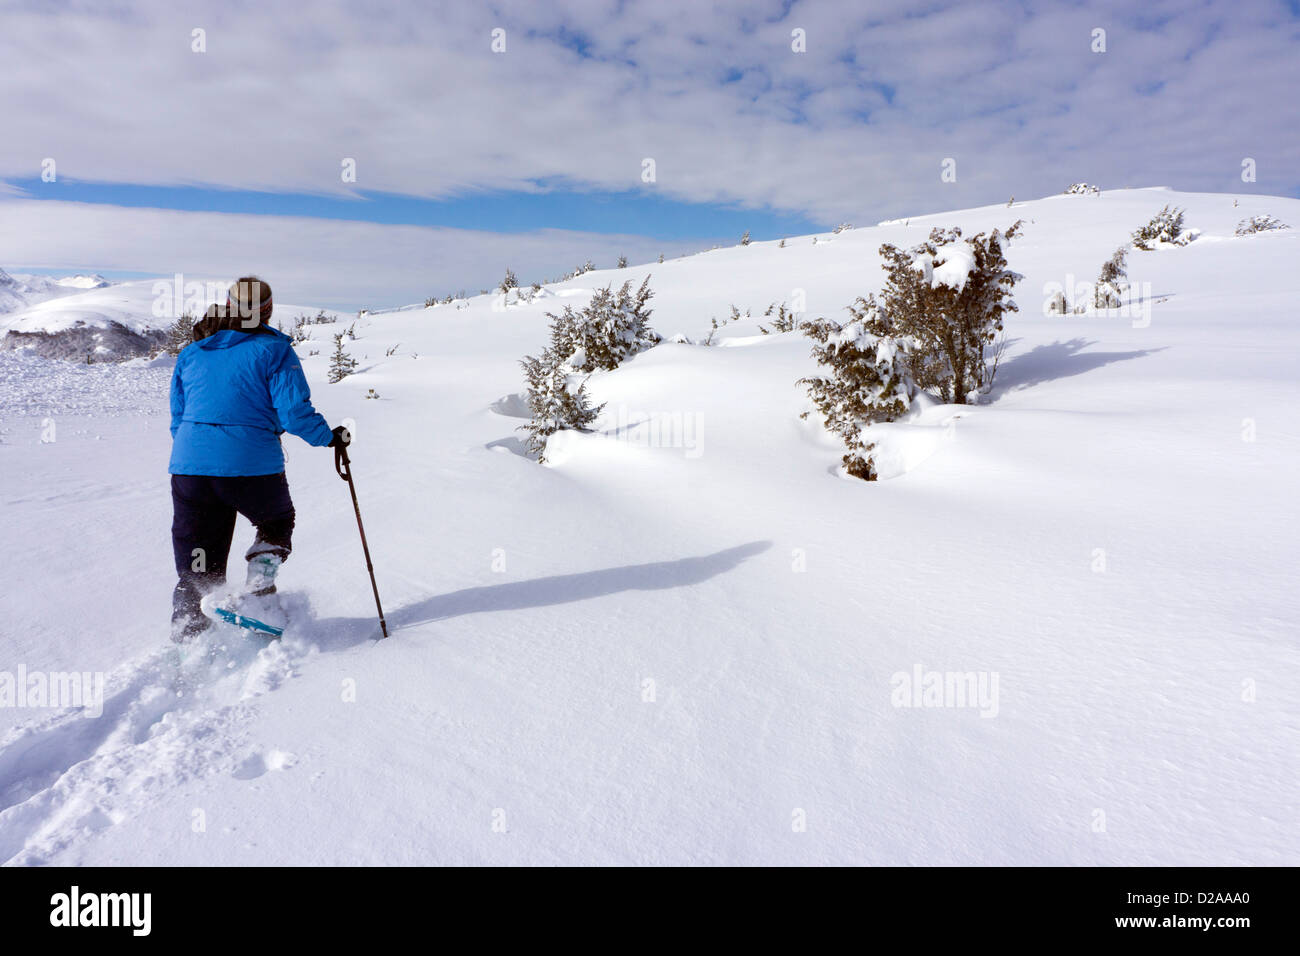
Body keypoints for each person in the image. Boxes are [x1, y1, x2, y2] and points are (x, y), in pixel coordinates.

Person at [168, 276, 348, 642]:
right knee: (276, 522)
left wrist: (200, 453)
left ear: (229, 305)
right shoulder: (273, 350)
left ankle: (190, 627)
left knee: (200, 549)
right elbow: (293, 412)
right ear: (267, 311)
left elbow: (177, 414)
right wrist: (329, 437)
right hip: (250, 466)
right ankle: (254, 598)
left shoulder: (193, 351)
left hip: (189, 468)